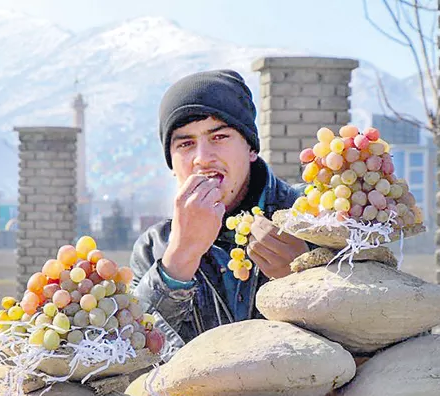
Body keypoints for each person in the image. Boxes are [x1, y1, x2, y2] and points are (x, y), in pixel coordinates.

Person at [129, 69, 311, 354]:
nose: (202, 158)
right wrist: (179, 260)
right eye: (185, 144)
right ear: (172, 164)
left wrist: (306, 276)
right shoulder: (154, 248)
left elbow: (365, 332)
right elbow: (132, 354)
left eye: (219, 137)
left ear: (251, 147)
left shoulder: (309, 214)